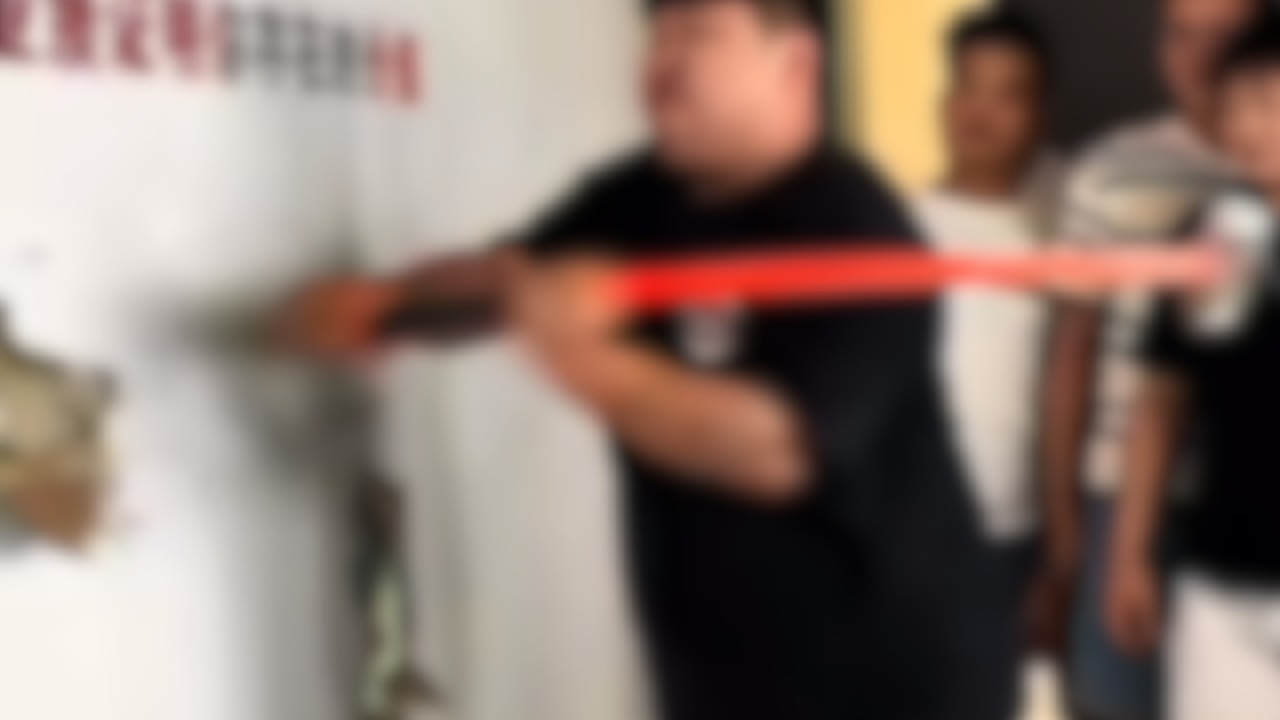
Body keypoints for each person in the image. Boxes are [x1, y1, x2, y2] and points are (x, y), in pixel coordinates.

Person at [285, 1, 1016, 719]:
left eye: (697, 32)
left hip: (896, 686)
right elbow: (514, 281)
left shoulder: (861, 234)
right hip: (726, 681)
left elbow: (775, 452)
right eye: (658, 35)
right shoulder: (644, 200)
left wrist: (583, 355)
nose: (663, 63)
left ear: (794, 64)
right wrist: (390, 306)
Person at [1040, 0, 1261, 718]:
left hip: (1232, 510)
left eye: (1225, 37)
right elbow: (1145, 385)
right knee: (1120, 695)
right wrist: (1074, 528)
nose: (1201, 58)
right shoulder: (1136, 181)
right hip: (1140, 498)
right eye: (1180, 35)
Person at [1107, 17, 1280, 720]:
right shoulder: (1214, 233)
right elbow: (1161, 406)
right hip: (1221, 581)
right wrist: (1129, 555)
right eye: (1234, 105)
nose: (1246, 125)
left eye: (1266, 100)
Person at [913, 7, 1057, 611]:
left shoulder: (1068, 222)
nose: (981, 111)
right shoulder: (898, 232)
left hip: (1033, 528)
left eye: (1007, 95)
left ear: (1040, 114)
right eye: (968, 87)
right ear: (944, 102)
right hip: (920, 529)